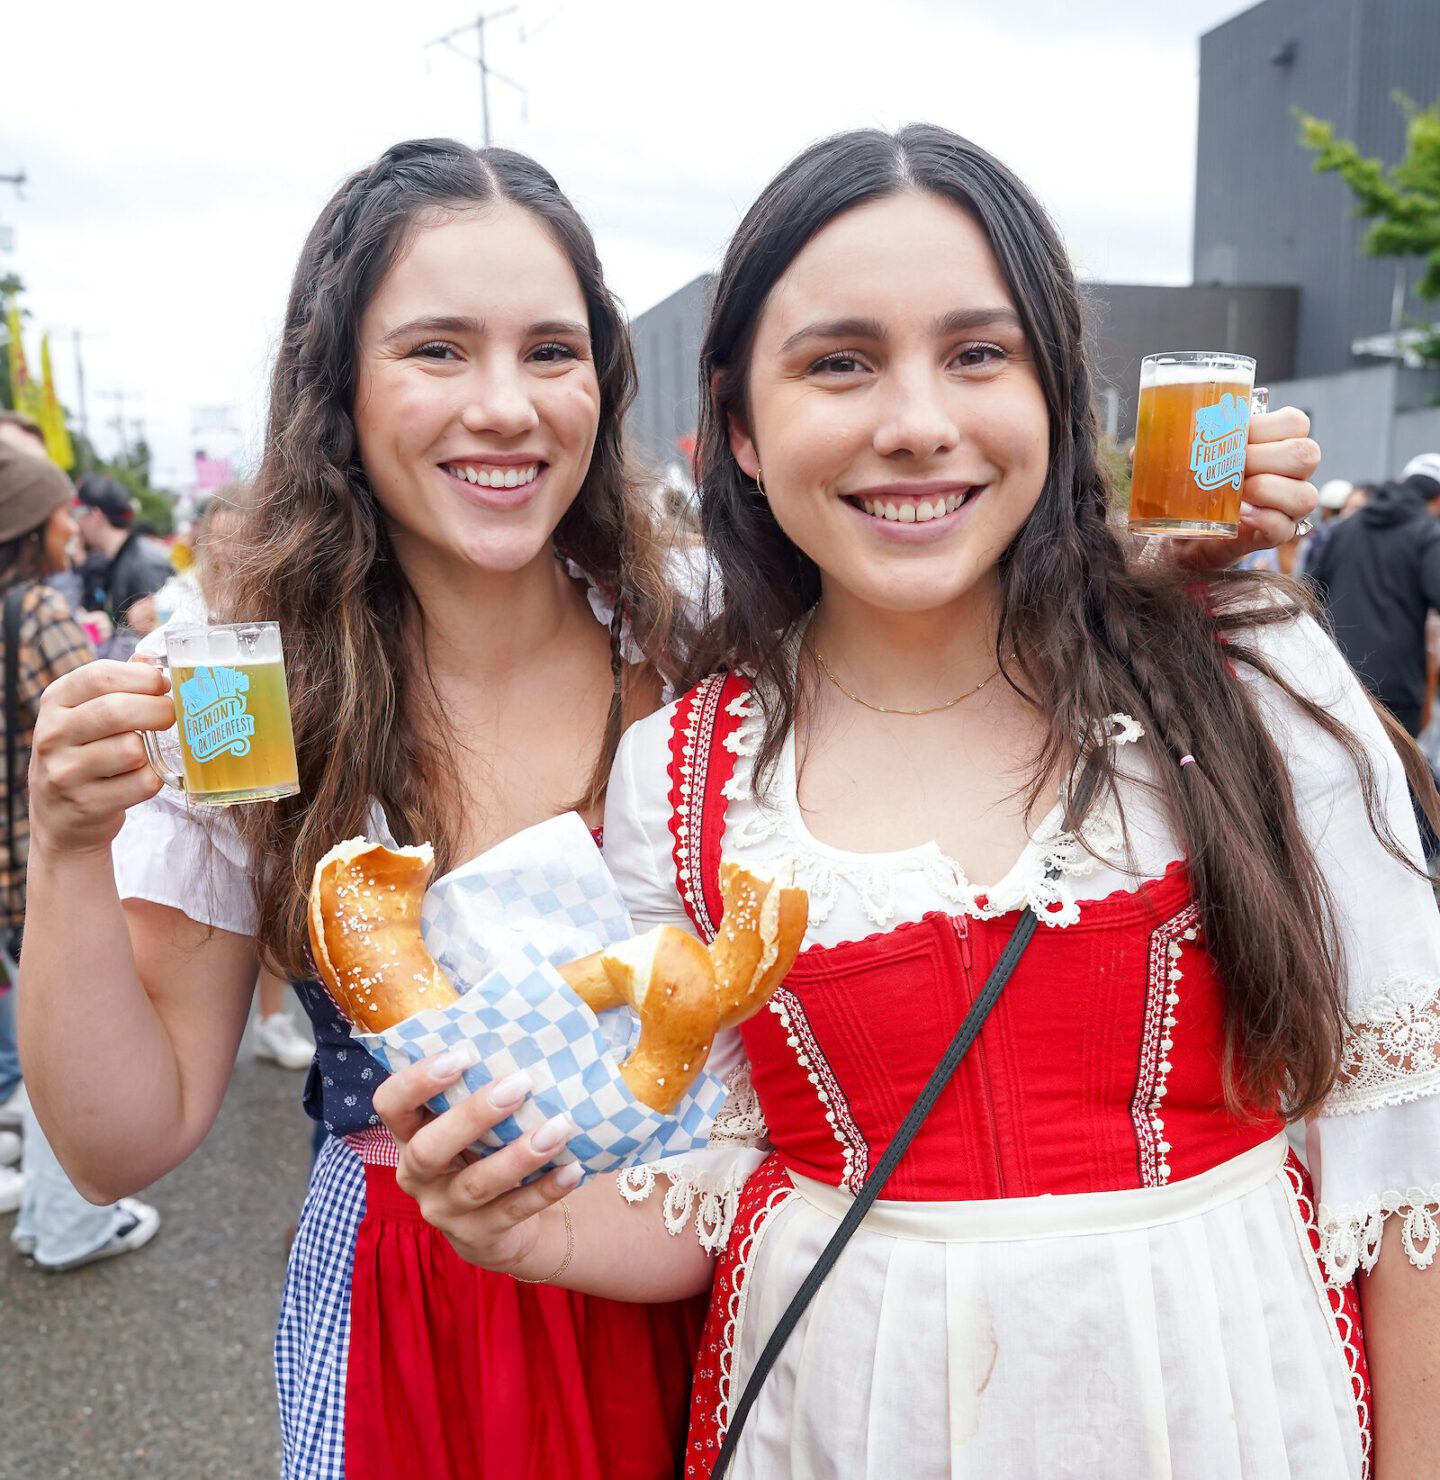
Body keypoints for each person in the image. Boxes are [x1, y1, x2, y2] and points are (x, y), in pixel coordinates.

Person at [375, 125, 1440, 1479]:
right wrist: (527, 1228)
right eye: (840, 363)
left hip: (1223, 1400)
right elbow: (713, 1183)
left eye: (978, 353)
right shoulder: (684, 771)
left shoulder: (1241, 670)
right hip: (841, 1417)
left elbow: (1410, 1167)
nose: (919, 422)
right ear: (742, 432)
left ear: (1058, 393)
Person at [20, 138, 707, 1480]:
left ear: (603, 383)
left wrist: (1199, 551)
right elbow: (119, 1142)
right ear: (336, 384)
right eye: (437, 351)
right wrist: (67, 843)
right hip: (415, 1322)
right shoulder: (243, 687)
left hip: (704, 1277)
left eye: (551, 352)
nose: (505, 405)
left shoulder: (703, 635)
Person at [0, 444, 159, 1265]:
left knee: (35, 1040)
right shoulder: (41, 611)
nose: (74, 525)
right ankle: (71, 1229)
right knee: (68, 1041)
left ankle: (38, 1222)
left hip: (7, 866)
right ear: (33, 525)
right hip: (42, 868)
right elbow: (115, 725)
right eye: (61, 512)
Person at [1309, 452, 1440, 736]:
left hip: (1334, 674)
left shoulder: (1342, 530)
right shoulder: (1427, 535)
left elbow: (1309, 590)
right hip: (1396, 689)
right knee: (1398, 774)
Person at [73, 473, 174, 654]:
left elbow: (168, 639)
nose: (75, 523)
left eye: (77, 513)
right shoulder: (117, 560)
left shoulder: (144, 564)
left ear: (96, 515)